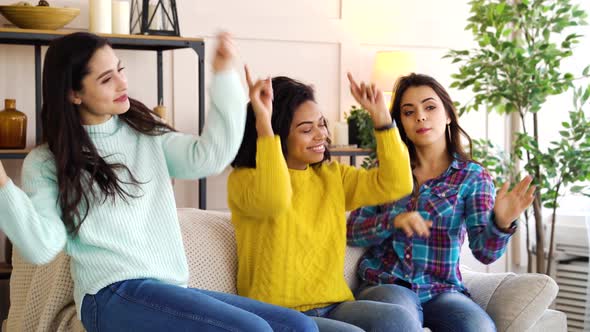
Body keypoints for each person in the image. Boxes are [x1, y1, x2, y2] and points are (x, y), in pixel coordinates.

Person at [0, 31, 318, 332]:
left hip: (165, 288)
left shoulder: (142, 130)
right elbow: (42, 246)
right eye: (106, 78)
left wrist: (223, 74)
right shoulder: (46, 162)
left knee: (299, 326)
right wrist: (2, 185)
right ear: (73, 93)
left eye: (120, 70)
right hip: (108, 294)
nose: (122, 82)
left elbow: (208, 156)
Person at [227, 68, 423, 332]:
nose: (322, 135)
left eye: (321, 124)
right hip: (276, 314)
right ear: (277, 134)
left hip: (333, 305)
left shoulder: (332, 177)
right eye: (307, 129)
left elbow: (397, 183)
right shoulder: (245, 180)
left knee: (399, 320)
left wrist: (381, 118)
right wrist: (264, 124)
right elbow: (275, 199)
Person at [346, 73, 536, 332]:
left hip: (441, 289)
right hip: (386, 283)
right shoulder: (387, 170)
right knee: (402, 321)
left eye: (430, 107)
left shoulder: (473, 176)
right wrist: (393, 221)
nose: (420, 117)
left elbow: (484, 252)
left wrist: (501, 223)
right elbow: (353, 232)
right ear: (401, 122)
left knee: (480, 328)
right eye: (408, 112)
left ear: (448, 114)